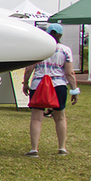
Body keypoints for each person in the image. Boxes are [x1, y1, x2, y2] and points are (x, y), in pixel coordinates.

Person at [22, 23, 80, 157]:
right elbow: (69, 73)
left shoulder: (39, 48)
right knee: (60, 117)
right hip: (58, 85)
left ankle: (34, 149)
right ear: (60, 35)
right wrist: (74, 90)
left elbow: (30, 68)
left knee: (36, 118)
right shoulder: (65, 50)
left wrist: (25, 83)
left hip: (39, 84)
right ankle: (62, 148)